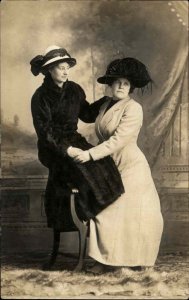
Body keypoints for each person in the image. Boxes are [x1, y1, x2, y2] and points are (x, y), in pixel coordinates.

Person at [68, 57, 164, 274]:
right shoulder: (104, 105)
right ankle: (106, 261)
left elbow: (117, 140)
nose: (121, 86)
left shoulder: (134, 108)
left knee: (126, 214)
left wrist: (88, 155)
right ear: (110, 84)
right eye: (118, 82)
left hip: (131, 167)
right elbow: (84, 116)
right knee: (103, 211)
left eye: (126, 83)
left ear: (131, 87)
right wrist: (69, 92)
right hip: (109, 166)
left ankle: (127, 260)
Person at [30, 45, 124, 232]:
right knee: (83, 170)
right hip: (52, 147)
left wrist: (106, 100)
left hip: (74, 139)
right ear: (50, 70)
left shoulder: (74, 89)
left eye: (67, 67)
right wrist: (67, 150)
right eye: (60, 67)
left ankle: (100, 223)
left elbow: (87, 115)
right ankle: (85, 217)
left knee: (103, 163)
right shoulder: (40, 97)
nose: (65, 72)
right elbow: (45, 131)